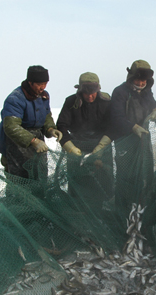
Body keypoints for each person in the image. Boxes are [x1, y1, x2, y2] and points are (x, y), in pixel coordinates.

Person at [109, 60, 156, 214]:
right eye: (138, 80)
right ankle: (123, 209)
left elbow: (153, 104)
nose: (140, 83)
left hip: (143, 138)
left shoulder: (146, 91)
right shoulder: (120, 92)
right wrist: (133, 127)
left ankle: (141, 207)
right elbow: (116, 117)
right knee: (125, 176)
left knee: (144, 172)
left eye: (144, 80)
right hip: (124, 140)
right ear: (131, 78)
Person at [0, 65, 62, 182]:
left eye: (45, 83)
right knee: (19, 179)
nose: (43, 87)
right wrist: (33, 141)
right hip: (17, 143)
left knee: (39, 175)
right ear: (30, 82)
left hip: (38, 141)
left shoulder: (44, 96)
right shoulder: (15, 98)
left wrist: (50, 129)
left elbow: (46, 115)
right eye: (39, 84)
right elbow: (11, 127)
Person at [56, 72, 113, 204]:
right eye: (86, 93)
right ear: (80, 91)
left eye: (93, 92)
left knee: (103, 182)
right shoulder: (70, 102)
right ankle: (78, 210)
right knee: (78, 184)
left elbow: (114, 126)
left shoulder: (106, 101)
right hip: (77, 148)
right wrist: (70, 147)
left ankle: (104, 208)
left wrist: (101, 147)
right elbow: (61, 125)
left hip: (102, 147)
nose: (90, 96)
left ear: (98, 90)